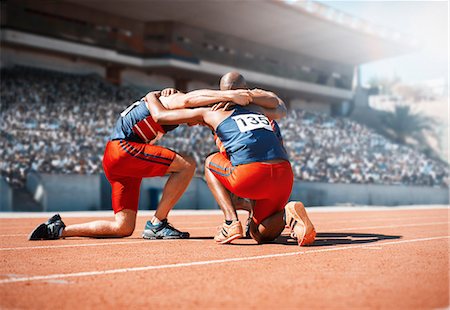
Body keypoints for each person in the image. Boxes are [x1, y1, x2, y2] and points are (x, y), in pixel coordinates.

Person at [29, 88, 252, 240]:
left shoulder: (159, 101)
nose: (197, 123)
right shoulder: (170, 101)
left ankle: (59, 229)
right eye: (201, 117)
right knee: (187, 164)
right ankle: (158, 223)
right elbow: (186, 100)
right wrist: (228, 95)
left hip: (116, 158)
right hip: (123, 150)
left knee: (123, 226)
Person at [143, 79, 315, 246]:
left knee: (211, 161)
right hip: (284, 176)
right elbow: (280, 106)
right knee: (259, 233)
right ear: (245, 89)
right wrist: (248, 96)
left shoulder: (212, 110)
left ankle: (230, 222)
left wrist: (152, 95)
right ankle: (287, 214)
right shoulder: (260, 109)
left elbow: (162, 116)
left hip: (250, 175)